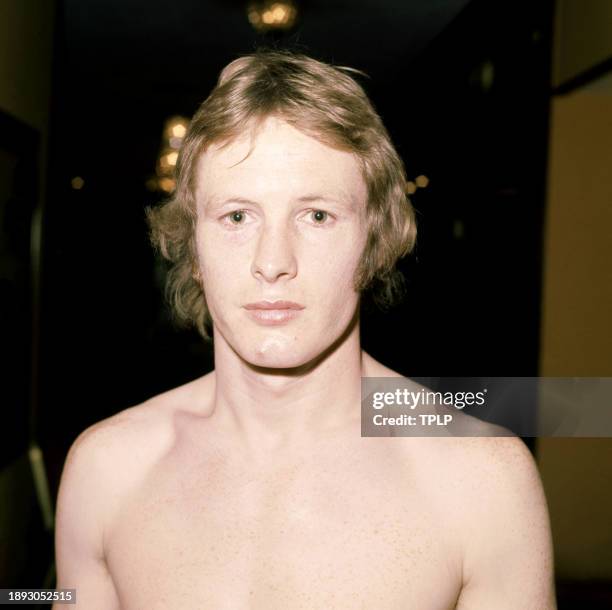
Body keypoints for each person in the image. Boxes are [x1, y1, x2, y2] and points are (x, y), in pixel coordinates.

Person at [53, 50, 556, 609]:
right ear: (194, 247)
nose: (273, 262)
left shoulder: (482, 481)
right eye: (237, 217)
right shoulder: (106, 469)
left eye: (316, 215)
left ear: (374, 241)